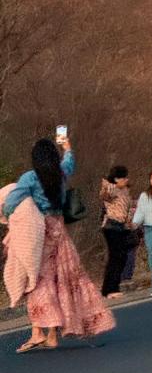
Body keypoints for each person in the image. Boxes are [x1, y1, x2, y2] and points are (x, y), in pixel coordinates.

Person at [1, 138, 115, 353]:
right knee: (60, 280)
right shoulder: (60, 174)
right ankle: (51, 335)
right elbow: (70, 163)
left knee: (37, 281)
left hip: (40, 233)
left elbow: (11, 202)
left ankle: (37, 333)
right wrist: (67, 146)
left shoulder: (30, 178)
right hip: (60, 231)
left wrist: (10, 219)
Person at [99, 165, 133, 298]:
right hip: (111, 225)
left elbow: (128, 206)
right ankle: (110, 288)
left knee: (122, 256)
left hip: (122, 226)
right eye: (123, 177)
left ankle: (113, 286)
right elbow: (104, 195)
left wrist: (129, 221)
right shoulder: (112, 188)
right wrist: (106, 184)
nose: (126, 180)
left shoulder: (125, 190)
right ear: (116, 179)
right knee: (115, 256)